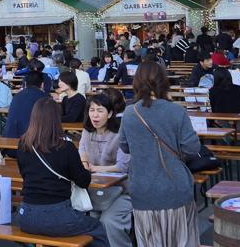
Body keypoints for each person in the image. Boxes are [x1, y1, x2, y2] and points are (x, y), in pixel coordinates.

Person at [119, 62, 202, 246]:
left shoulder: (130, 113)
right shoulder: (176, 111)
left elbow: (124, 146)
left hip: (143, 189)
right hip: (175, 186)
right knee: (181, 240)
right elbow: (192, 148)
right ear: (164, 81)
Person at [14, 97, 110, 247]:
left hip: (25, 214)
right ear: (56, 119)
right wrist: (85, 166)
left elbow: (24, 173)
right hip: (58, 215)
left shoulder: (23, 145)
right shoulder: (66, 147)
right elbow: (83, 181)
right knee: (97, 227)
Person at [79, 91, 131, 247]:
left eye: (100, 111)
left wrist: (94, 168)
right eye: (92, 110)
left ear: (109, 114)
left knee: (108, 221)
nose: (95, 115)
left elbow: (123, 166)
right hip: (94, 190)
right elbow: (82, 151)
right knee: (87, 220)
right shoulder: (87, 132)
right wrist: (84, 163)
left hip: (121, 191)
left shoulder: (120, 133)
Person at [4, 71, 49, 138]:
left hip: (10, 135)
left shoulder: (17, 96)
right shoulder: (44, 97)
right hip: (32, 138)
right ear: (42, 84)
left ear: (25, 83)